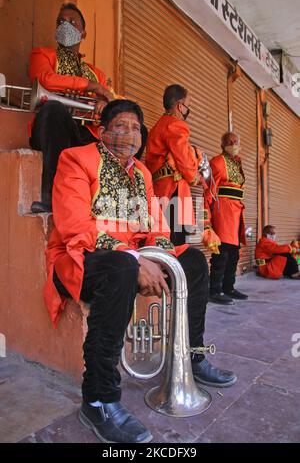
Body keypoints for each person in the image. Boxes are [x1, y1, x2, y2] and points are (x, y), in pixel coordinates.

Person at [44, 99, 237, 444]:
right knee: (120, 268)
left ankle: (192, 357)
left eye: (135, 127)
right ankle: (99, 399)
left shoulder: (144, 173)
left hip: (130, 257)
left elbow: (158, 228)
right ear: (102, 132)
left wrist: (161, 260)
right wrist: (135, 259)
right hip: (81, 258)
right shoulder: (76, 159)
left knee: (190, 261)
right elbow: (75, 228)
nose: (129, 133)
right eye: (120, 125)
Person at [29, 2, 114, 213]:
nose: (65, 25)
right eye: (60, 22)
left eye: (72, 22)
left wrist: (105, 104)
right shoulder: (43, 55)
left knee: (133, 130)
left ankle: (112, 203)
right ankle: (51, 198)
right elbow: (47, 79)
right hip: (52, 129)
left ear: (83, 33)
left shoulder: (96, 73)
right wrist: (90, 86)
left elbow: (107, 99)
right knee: (54, 110)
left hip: (84, 132)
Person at [146, 84, 220, 253]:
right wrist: (195, 176)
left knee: (161, 239)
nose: (188, 109)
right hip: (174, 191)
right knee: (177, 245)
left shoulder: (157, 127)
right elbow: (185, 162)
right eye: (188, 105)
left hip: (159, 191)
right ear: (180, 106)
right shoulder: (176, 125)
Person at [204, 132, 248, 305]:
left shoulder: (237, 162)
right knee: (221, 252)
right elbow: (208, 189)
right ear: (222, 144)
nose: (234, 144)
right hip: (223, 211)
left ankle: (228, 287)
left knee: (234, 253)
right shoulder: (217, 162)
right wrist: (207, 217)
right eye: (230, 142)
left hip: (237, 211)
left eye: (236, 141)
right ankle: (214, 290)